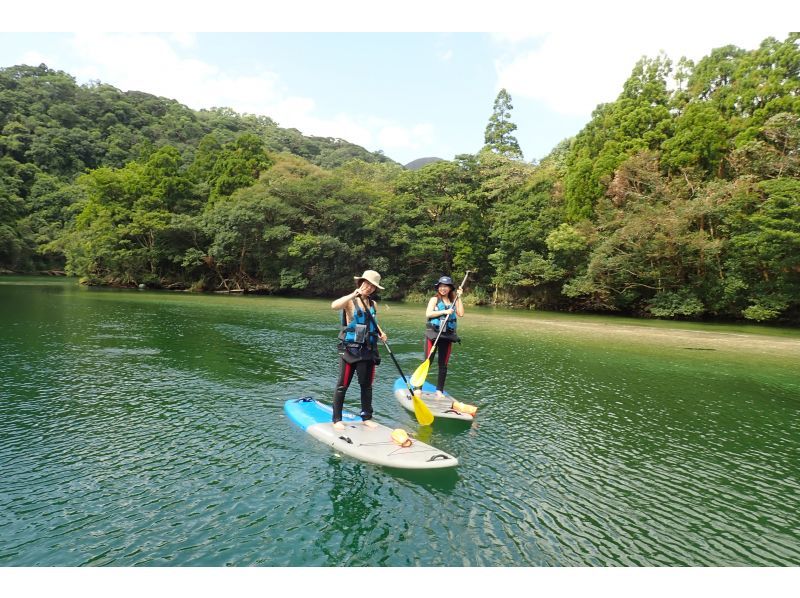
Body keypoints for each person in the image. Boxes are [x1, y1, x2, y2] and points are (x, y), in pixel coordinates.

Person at [330, 269, 388, 430]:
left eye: (372, 286)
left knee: (366, 386)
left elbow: (373, 322)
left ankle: (366, 417)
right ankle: (337, 419)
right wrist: (353, 294)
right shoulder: (350, 301)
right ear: (361, 283)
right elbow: (334, 305)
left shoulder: (373, 304)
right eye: (366, 283)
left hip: (368, 350)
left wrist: (381, 333)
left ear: (375, 289)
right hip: (350, 350)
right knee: (343, 385)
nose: (368, 287)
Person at [424, 275, 465, 398]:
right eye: (441, 286)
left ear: (450, 288)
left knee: (443, 364)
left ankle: (439, 391)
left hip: (447, 336)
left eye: (446, 286)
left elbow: (461, 313)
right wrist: (444, 312)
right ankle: (418, 388)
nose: (443, 289)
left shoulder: (453, 301)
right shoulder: (434, 299)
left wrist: (459, 298)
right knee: (428, 361)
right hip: (434, 334)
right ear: (438, 287)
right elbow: (428, 313)